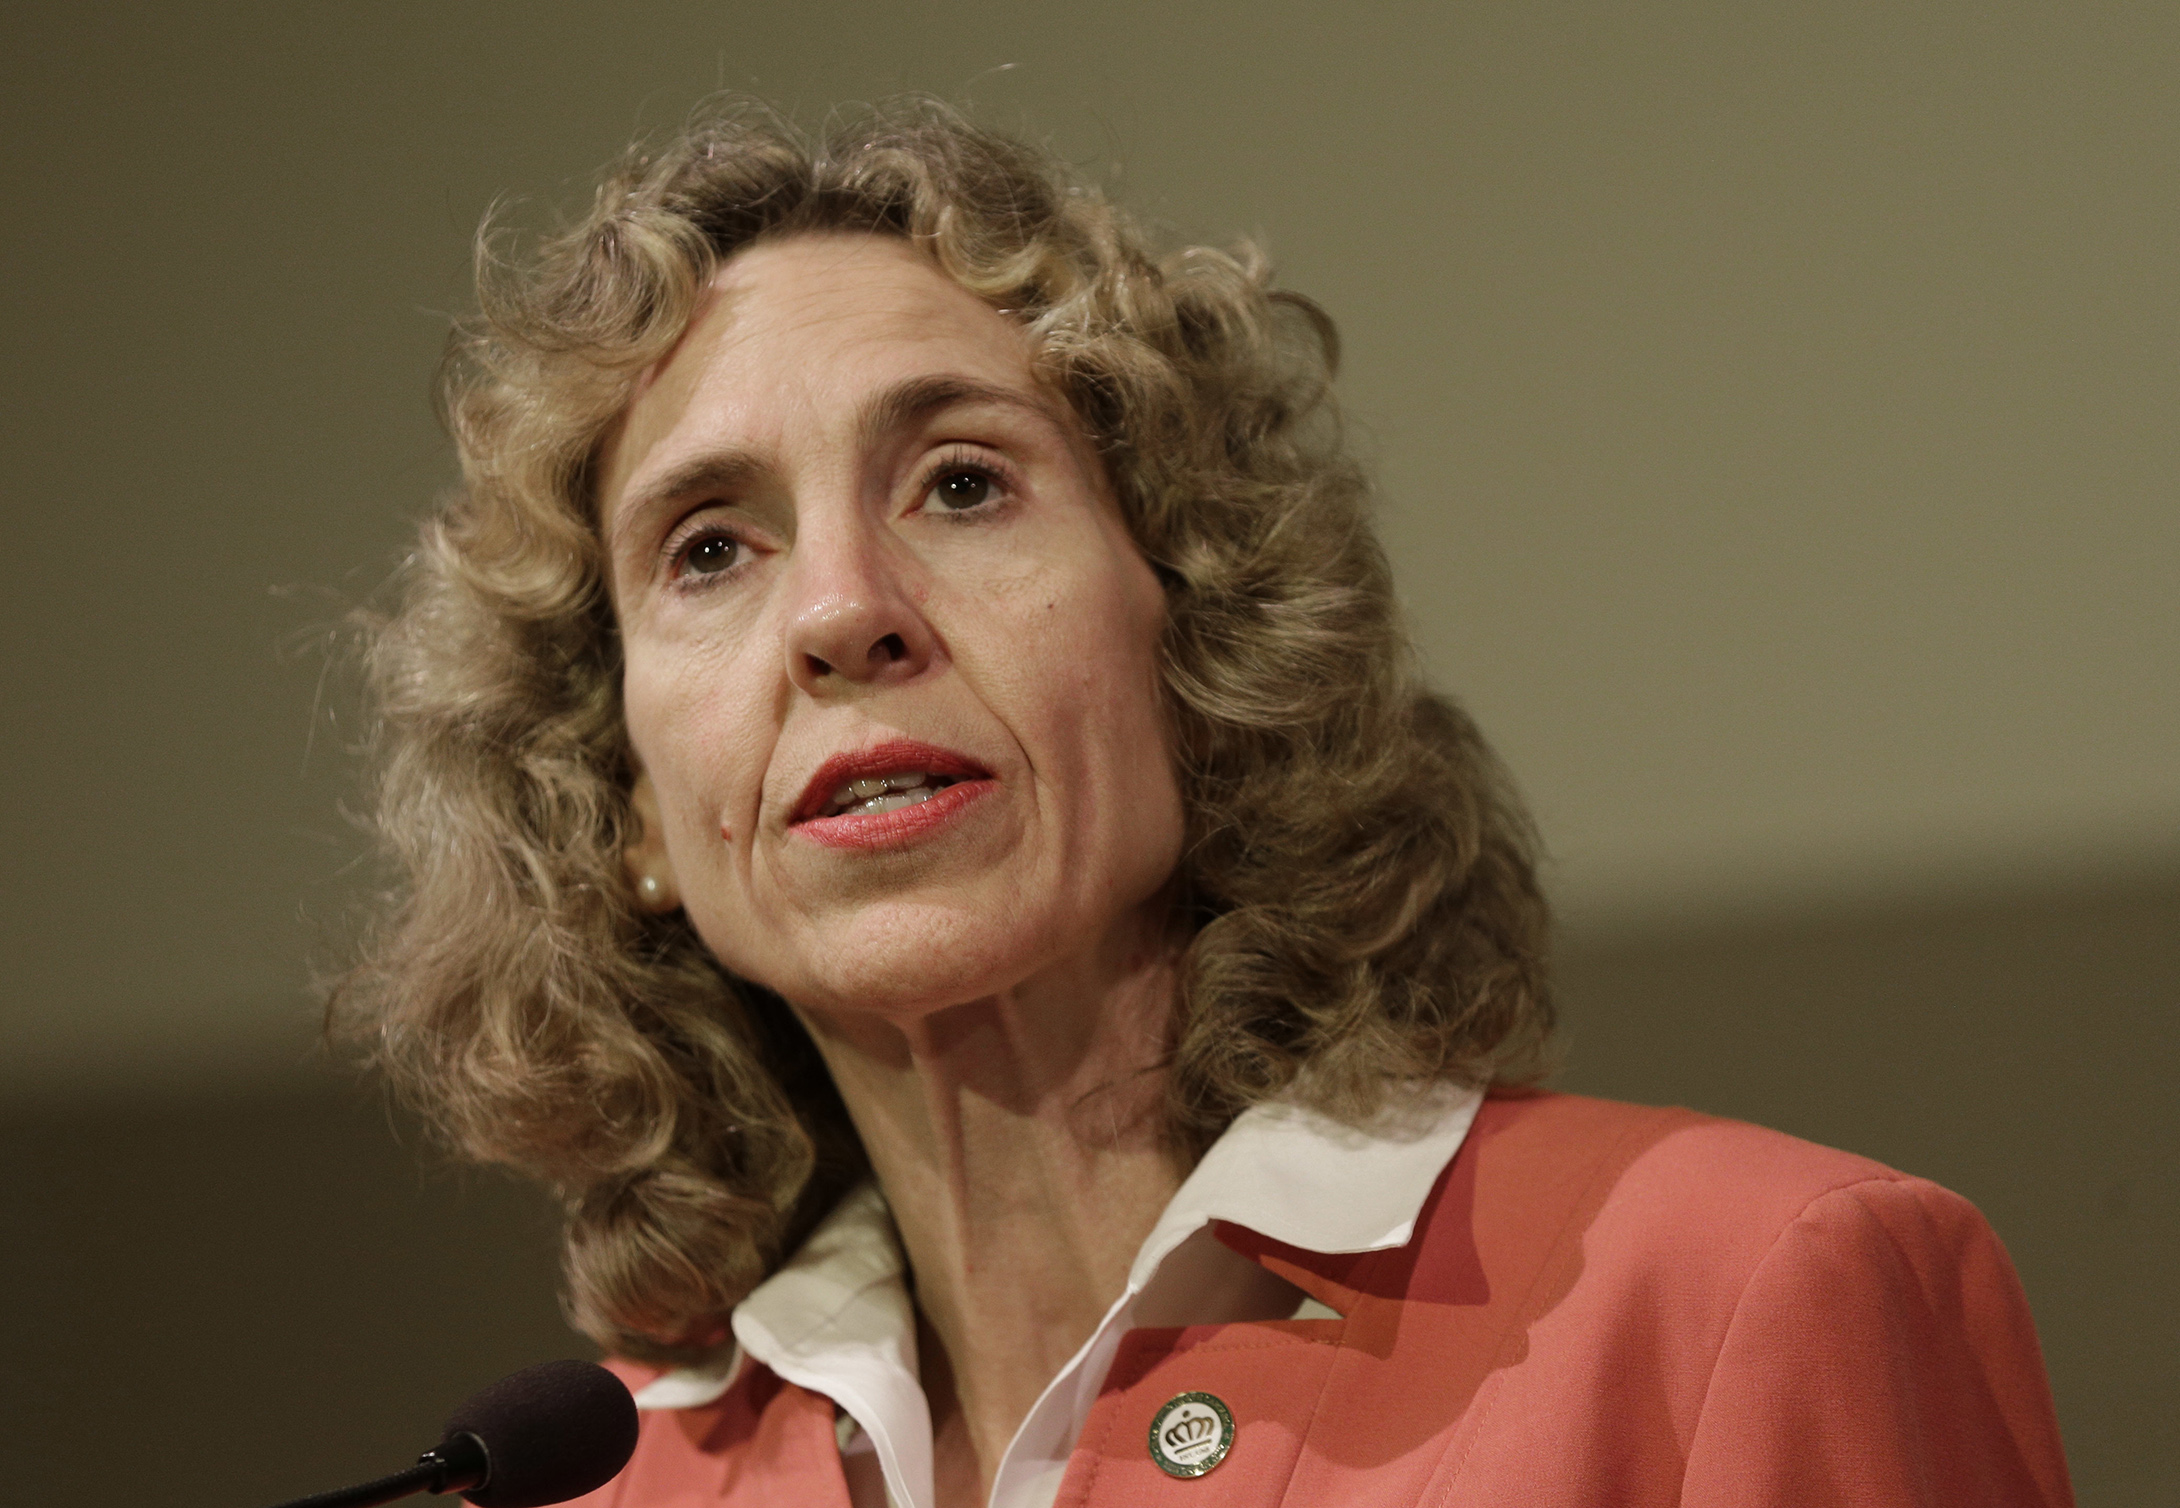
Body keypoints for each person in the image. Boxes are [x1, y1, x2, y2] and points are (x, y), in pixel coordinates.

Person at [335, 99, 2072, 1508]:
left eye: (961, 483)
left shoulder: (1736, 1304)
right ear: (628, 809)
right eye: (710, 548)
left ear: (1202, 637)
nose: (841, 612)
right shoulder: (595, 1492)